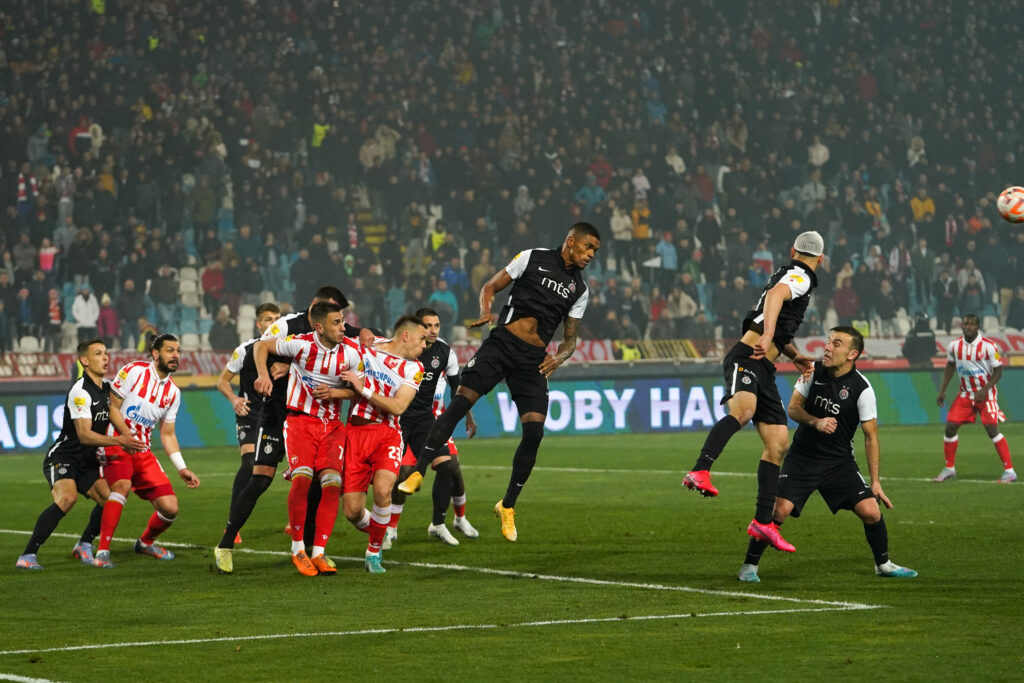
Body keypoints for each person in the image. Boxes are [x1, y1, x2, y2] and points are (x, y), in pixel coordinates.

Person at [399, 222, 601, 542]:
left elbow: (570, 340)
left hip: (533, 360)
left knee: (534, 431)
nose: (591, 255)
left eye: (595, 251)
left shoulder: (580, 290)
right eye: (588, 247)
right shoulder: (532, 257)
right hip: (502, 345)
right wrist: (485, 311)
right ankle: (418, 471)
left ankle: (507, 506)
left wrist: (560, 357)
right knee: (460, 402)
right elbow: (490, 287)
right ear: (570, 241)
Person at [737, 327, 917, 582]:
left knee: (871, 512)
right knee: (778, 512)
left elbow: (870, 437)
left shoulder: (862, 389)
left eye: (837, 343)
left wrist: (875, 482)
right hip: (802, 458)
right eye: (829, 341)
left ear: (853, 353)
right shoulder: (813, 371)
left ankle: (883, 564)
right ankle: (749, 566)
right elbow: (794, 408)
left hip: (838, 463)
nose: (828, 347)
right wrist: (816, 421)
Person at [683, 231, 822, 554]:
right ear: (821, 260)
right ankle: (700, 469)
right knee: (743, 411)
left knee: (778, 444)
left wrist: (792, 354)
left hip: (764, 368)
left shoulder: (787, 270)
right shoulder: (801, 276)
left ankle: (763, 521)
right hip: (746, 358)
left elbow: (768, 312)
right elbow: (775, 298)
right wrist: (770, 333)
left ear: (792, 250)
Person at [251, 301, 362, 577]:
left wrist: (335, 394)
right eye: (337, 322)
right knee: (302, 479)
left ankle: (319, 553)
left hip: (333, 426)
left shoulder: (351, 352)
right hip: (301, 421)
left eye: (343, 321)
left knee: (332, 485)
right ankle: (298, 548)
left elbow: (357, 391)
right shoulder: (300, 344)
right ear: (319, 327)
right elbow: (261, 346)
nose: (343, 327)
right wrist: (263, 373)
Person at [16, 340, 146, 570]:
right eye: (98, 354)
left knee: (110, 500)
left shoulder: (106, 388)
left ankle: (84, 544)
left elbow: (114, 414)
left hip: (86, 461)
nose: (105, 357)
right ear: (84, 361)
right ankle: (27, 555)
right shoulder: (80, 392)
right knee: (68, 498)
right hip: (64, 457)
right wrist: (119, 440)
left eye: (106, 353)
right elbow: (85, 435)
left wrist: (129, 436)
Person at [94, 334, 201, 567]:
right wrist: (125, 437)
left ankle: (145, 542)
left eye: (178, 351)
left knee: (170, 508)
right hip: (117, 443)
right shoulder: (133, 371)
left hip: (142, 451)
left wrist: (182, 468)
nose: (176, 356)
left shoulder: (174, 392)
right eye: (170, 351)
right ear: (155, 354)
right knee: (122, 486)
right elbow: (112, 406)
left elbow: (168, 434)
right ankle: (102, 552)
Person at [385, 307, 478, 550]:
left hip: (425, 418)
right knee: (396, 474)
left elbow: (459, 389)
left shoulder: (444, 352)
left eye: (436, 326)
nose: (433, 330)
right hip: (397, 419)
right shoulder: (400, 350)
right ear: (416, 329)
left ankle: (438, 523)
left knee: (448, 467)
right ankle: (388, 528)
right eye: (428, 326)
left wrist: (468, 416)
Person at [341, 315, 428, 573]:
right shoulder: (369, 344)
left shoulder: (415, 369)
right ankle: (380, 530)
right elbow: (339, 337)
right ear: (405, 335)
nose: (425, 345)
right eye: (422, 339)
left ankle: (374, 553)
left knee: (382, 491)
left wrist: (363, 389)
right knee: (353, 512)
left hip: (387, 433)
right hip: (355, 432)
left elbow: (399, 406)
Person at [214, 302, 281, 548]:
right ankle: (233, 524)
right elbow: (222, 381)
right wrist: (234, 399)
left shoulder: (290, 348)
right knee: (249, 463)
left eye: (276, 318)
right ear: (259, 324)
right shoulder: (245, 349)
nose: (273, 323)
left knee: (305, 470)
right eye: (267, 319)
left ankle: (300, 523)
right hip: (251, 414)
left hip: (280, 417)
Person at [934, 314, 1016, 483]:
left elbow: (998, 371)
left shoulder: (989, 346)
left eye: (971, 324)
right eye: (965, 324)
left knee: (991, 429)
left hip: (986, 394)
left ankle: (1010, 471)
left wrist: (985, 390)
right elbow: (950, 365)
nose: (967, 327)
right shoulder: (954, 345)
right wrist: (942, 390)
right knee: (950, 427)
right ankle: (949, 468)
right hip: (965, 393)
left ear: (978, 327)